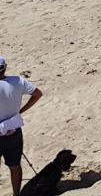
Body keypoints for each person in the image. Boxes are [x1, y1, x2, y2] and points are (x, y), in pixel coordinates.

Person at [1, 55, 42, 196]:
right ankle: (16, 194)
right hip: (14, 130)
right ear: (5, 68)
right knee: (15, 165)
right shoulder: (18, 81)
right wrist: (21, 110)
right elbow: (37, 94)